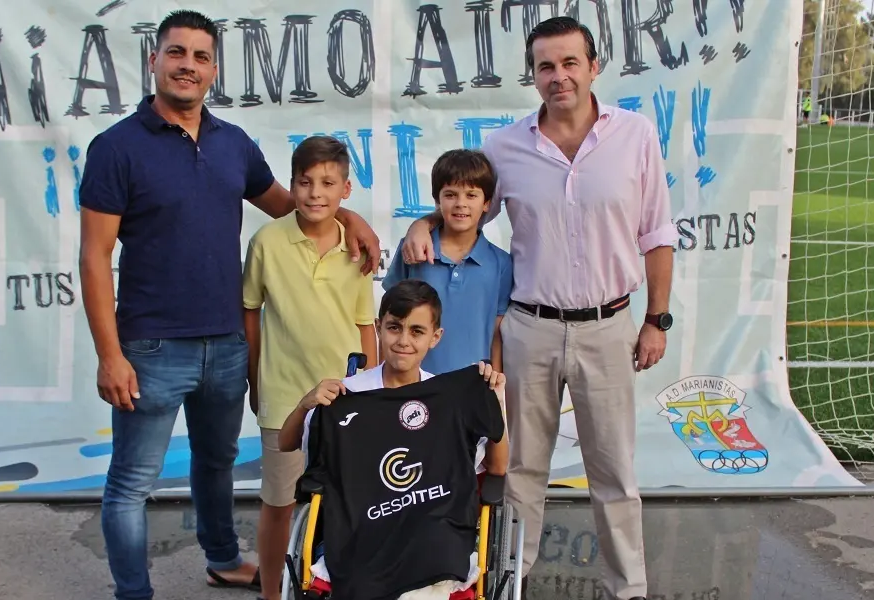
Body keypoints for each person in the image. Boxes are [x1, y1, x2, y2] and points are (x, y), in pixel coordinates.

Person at [77, 10, 380, 600]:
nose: (188, 65)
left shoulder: (232, 144)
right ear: (154, 60)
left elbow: (290, 207)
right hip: (151, 346)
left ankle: (221, 560)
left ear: (213, 68)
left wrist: (351, 214)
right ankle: (132, 593)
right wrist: (110, 355)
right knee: (132, 484)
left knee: (216, 463)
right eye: (176, 53)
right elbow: (94, 258)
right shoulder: (116, 148)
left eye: (200, 56)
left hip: (226, 344)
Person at [399, 16, 674, 600]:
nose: (559, 76)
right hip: (529, 329)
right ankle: (507, 584)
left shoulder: (635, 136)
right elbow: (468, 206)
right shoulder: (505, 147)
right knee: (520, 471)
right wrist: (423, 222)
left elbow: (658, 233)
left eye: (570, 63)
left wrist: (657, 319)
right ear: (533, 75)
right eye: (546, 66)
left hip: (609, 327)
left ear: (593, 66)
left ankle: (630, 590)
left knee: (615, 476)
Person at [278, 279, 508, 599]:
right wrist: (306, 403)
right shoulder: (350, 394)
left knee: (434, 546)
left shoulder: (450, 399)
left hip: (431, 525)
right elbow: (285, 444)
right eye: (394, 327)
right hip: (363, 526)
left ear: (435, 337)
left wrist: (493, 402)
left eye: (417, 331)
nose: (403, 340)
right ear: (378, 328)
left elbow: (497, 468)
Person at [241, 134, 379, 600]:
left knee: (350, 502)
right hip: (283, 396)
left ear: (346, 190)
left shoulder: (358, 250)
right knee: (279, 502)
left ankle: (340, 584)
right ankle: (271, 593)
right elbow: (250, 313)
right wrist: (253, 380)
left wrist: (374, 390)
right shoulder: (267, 242)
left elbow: (365, 327)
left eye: (327, 183)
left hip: (347, 400)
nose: (315, 193)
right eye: (304, 182)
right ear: (293, 186)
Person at [382, 149, 513, 376]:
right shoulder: (414, 249)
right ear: (437, 200)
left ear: (486, 203)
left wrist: (496, 387)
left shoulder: (500, 263)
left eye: (471, 195)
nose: (460, 204)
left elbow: (497, 332)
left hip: (472, 385)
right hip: (414, 383)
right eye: (450, 195)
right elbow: (389, 319)